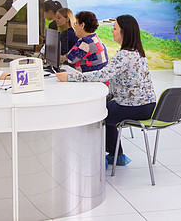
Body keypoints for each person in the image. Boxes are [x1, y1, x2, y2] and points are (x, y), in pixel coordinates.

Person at [56, 14, 156, 166]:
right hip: (147, 106)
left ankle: (94, 160)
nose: (112, 31)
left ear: (124, 32)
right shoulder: (137, 52)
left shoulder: (125, 55)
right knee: (105, 107)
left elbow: (102, 75)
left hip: (133, 107)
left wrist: (69, 77)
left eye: (114, 28)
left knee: (95, 111)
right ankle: (116, 155)